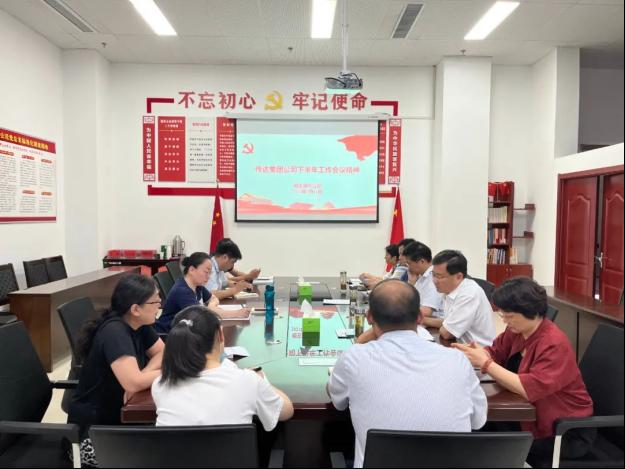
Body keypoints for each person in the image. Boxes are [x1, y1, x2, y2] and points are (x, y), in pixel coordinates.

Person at [327, 279, 487, 468]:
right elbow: (478, 421)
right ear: (419, 317)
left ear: (369, 317)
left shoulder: (354, 358)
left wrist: (360, 342)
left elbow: (338, 402)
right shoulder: (457, 360)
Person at [453, 277, 594, 467]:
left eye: (509, 316)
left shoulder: (553, 343)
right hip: (528, 416)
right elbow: (495, 352)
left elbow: (528, 389)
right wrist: (477, 353)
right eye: (502, 314)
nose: (504, 320)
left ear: (532, 312)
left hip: (562, 431)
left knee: (486, 443)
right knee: (472, 426)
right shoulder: (517, 331)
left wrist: (485, 363)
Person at [69, 274, 165, 466]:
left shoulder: (138, 324)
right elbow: (133, 383)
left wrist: (143, 374)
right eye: (155, 301)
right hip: (92, 436)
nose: (159, 305)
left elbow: (163, 352)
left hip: (118, 421)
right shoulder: (115, 332)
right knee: (160, 455)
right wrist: (169, 372)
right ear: (136, 309)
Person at [152, 305, 294, 430]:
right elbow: (286, 411)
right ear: (221, 335)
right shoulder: (248, 381)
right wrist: (260, 380)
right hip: (235, 454)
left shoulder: (160, 384)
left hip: (175, 454)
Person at [155, 252, 250, 333]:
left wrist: (211, 307)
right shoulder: (182, 291)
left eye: (210, 273)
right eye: (206, 272)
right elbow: (205, 316)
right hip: (168, 336)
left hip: (185, 332)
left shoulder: (198, 285)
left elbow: (214, 298)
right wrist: (237, 313)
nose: (208, 276)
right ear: (192, 270)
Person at [432, 250, 495, 346]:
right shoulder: (450, 289)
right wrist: (423, 320)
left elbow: (446, 333)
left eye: (439, 276)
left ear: (459, 276)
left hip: (479, 350)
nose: (434, 281)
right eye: (433, 275)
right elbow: (447, 323)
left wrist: (445, 326)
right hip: (461, 345)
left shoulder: (469, 294)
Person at [402, 241, 444, 322]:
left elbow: (426, 311)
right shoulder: (421, 276)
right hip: (421, 320)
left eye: (409, 263)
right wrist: (411, 282)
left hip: (433, 325)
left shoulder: (433, 278)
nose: (408, 268)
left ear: (421, 261)